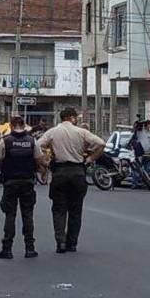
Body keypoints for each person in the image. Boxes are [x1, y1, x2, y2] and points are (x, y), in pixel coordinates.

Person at [37, 108, 105, 253]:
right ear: (71, 118)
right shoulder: (81, 132)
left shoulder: (52, 132)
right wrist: (91, 158)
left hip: (60, 173)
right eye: (75, 118)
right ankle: (72, 243)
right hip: (78, 172)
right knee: (75, 210)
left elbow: (37, 146)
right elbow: (101, 143)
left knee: (59, 209)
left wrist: (45, 162)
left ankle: (60, 242)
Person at [0, 116, 47, 259]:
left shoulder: (5, 141)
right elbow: (39, 159)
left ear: (11, 125)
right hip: (27, 183)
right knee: (28, 215)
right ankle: (30, 248)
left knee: (10, 215)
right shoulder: (31, 141)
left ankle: (7, 249)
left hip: (10, 182)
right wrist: (44, 171)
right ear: (23, 125)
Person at [129, 120, 150, 189]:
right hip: (140, 153)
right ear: (146, 125)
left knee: (146, 169)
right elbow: (136, 127)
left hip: (148, 153)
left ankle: (145, 183)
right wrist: (139, 122)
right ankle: (134, 183)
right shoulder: (139, 131)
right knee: (137, 168)